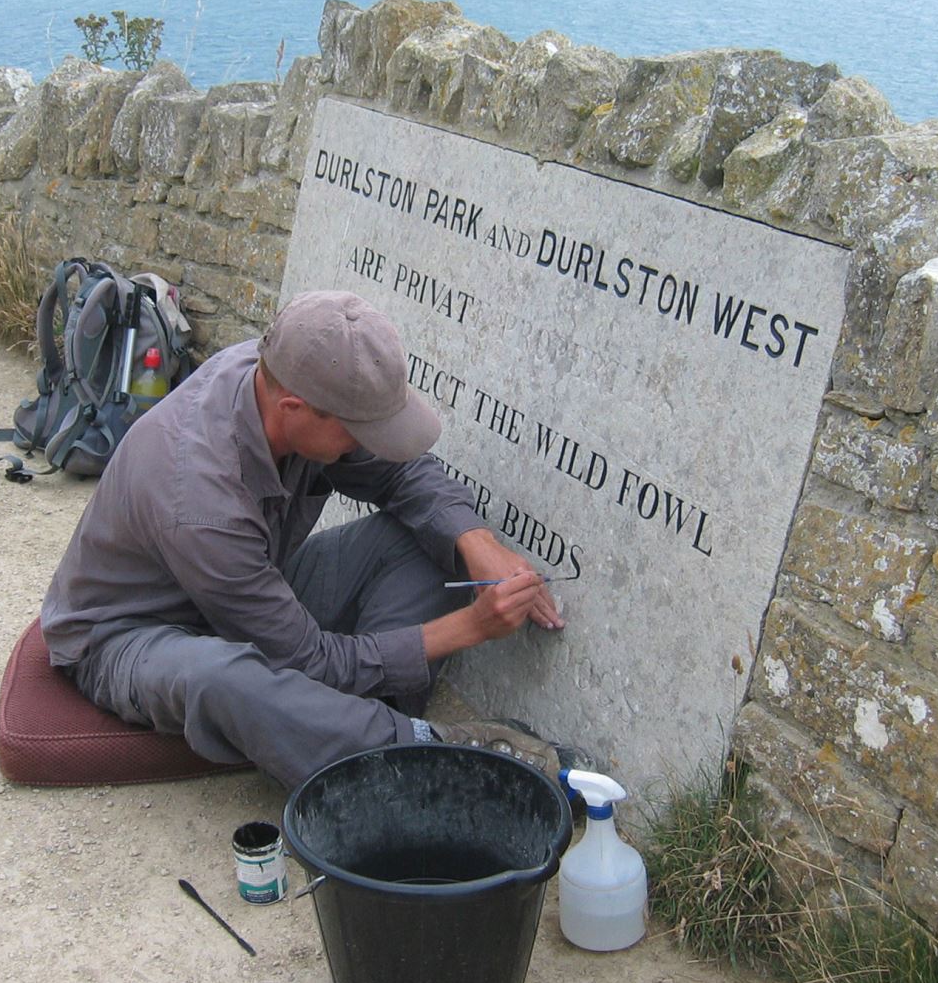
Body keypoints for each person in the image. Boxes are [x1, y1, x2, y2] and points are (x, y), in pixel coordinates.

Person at [40, 290, 583, 790]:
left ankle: (332, 726)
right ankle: (426, 750)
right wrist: (468, 628)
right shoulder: (201, 503)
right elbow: (309, 661)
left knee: (425, 537)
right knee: (226, 679)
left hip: (249, 587)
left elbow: (400, 475)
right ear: (293, 410)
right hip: (133, 634)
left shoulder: (285, 374)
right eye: (358, 432)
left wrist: (474, 540)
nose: (366, 445)